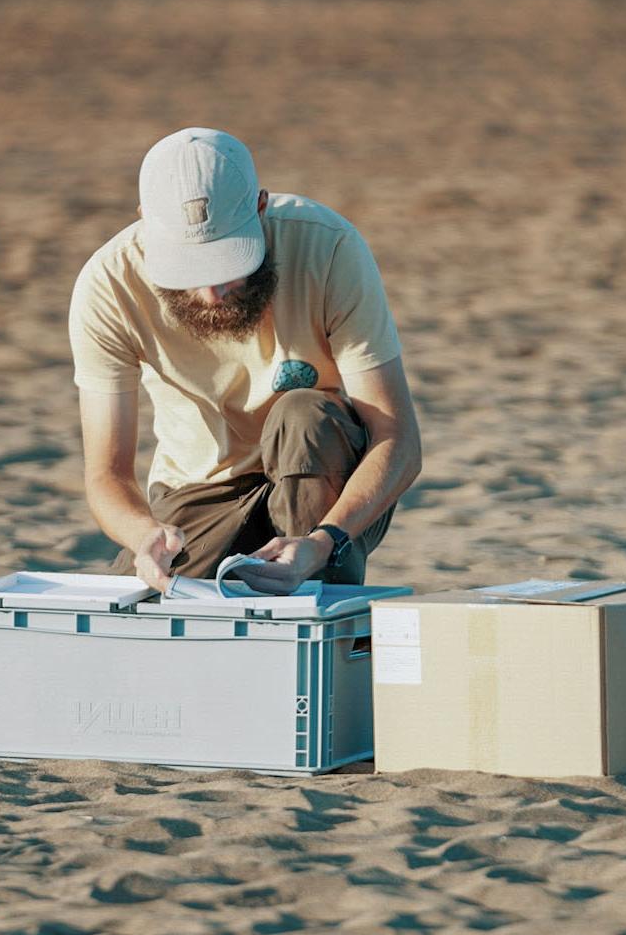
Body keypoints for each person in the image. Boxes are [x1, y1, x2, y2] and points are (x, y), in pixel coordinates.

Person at [68, 127, 420, 595]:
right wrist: (143, 535)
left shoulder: (328, 246)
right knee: (140, 609)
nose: (212, 293)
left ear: (260, 207)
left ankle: (319, 602)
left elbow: (397, 439)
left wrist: (324, 540)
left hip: (326, 481)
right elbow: (106, 474)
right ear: (145, 222)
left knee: (301, 413)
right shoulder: (109, 283)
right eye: (191, 268)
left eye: (228, 262)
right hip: (201, 486)